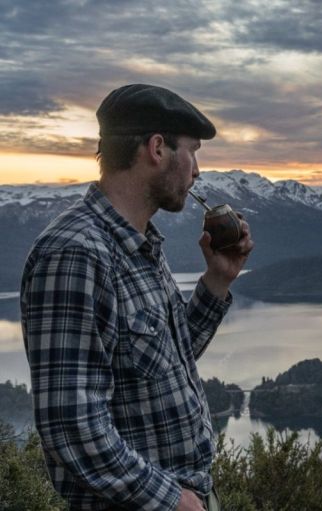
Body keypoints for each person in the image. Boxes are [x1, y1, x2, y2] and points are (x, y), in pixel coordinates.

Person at [20, 84, 253, 510]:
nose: (197, 170)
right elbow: (71, 425)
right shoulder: (76, 254)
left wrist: (217, 282)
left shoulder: (138, 244)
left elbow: (165, 360)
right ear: (157, 149)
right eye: (193, 151)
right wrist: (171, 500)